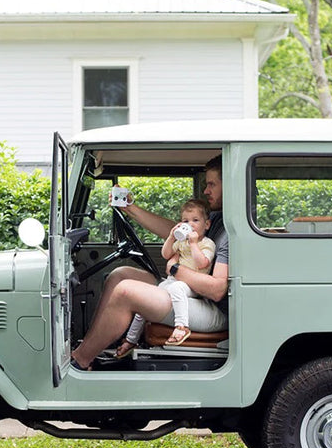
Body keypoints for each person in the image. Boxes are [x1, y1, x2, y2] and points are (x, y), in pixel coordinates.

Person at [70, 155, 228, 371]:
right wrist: (131, 209)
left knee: (126, 291)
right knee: (120, 275)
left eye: (211, 184)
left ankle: (80, 360)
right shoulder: (218, 218)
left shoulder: (230, 230)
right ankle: (94, 345)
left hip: (212, 309)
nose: (206, 191)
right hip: (190, 292)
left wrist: (175, 269)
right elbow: (175, 230)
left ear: (228, 184)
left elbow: (217, 290)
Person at [117, 198, 216, 356]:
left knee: (177, 288)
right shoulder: (182, 242)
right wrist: (171, 237)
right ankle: (131, 340)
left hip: (194, 286)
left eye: (195, 220)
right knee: (146, 299)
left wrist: (193, 244)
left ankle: (181, 327)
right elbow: (166, 254)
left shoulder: (207, 243)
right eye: (186, 221)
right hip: (174, 280)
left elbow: (202, 263)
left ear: (207, 225)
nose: (190, 225)